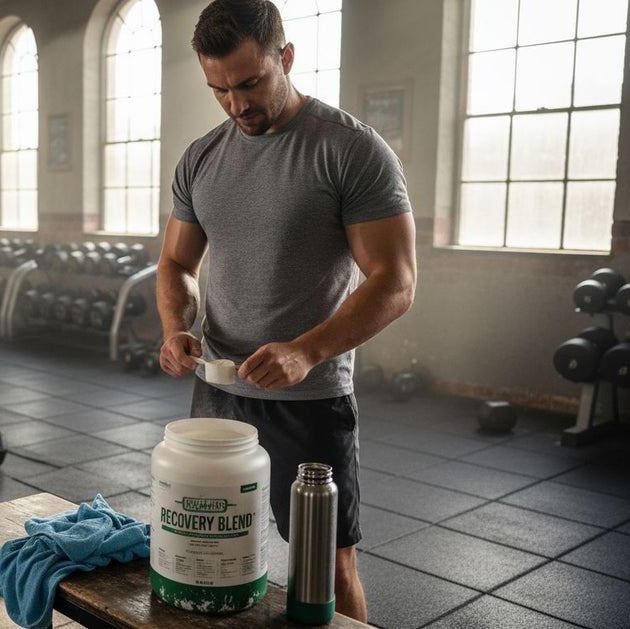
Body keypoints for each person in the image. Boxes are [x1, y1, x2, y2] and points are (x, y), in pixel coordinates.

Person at [156, 0, 417, 622]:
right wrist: (175, 328)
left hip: (308, 399)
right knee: (211, 551)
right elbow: (175, 265)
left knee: (324, 564)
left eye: (250, 83)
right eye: (218, 89)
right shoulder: (202, 156)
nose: (236, 104)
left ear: (286, 58)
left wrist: (307, 350)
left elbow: (396, 281)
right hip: (218, 391)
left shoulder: (350, 150)